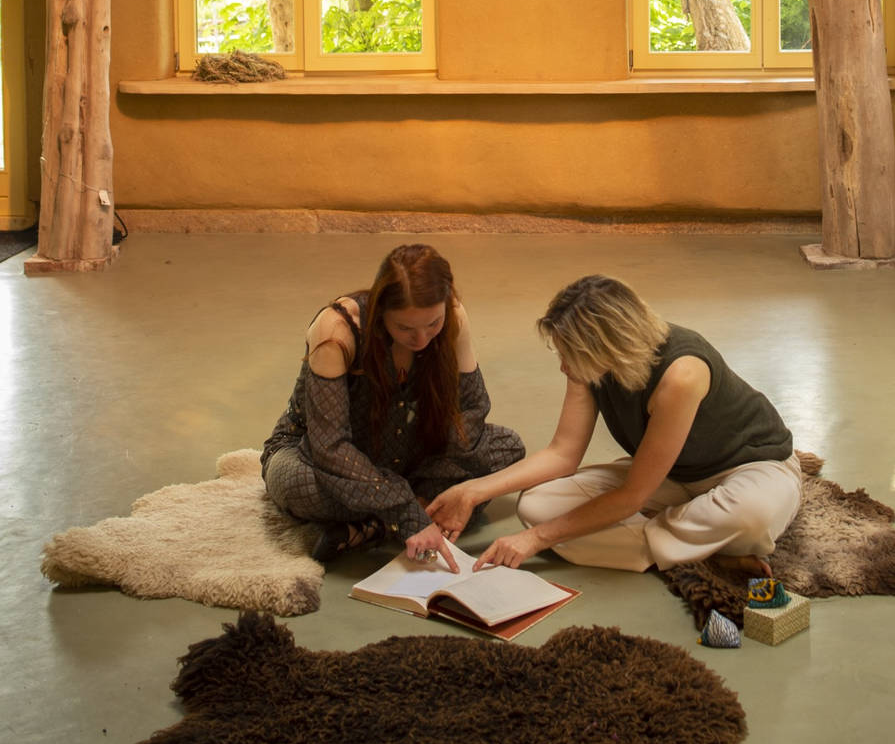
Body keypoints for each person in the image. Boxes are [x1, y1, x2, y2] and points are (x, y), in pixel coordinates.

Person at [426, 275, 805, 576]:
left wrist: (535, 540)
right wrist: (472, 491)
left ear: (604, 347)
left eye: (567, 355)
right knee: (539, 505)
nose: (562, 365)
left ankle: (688, 548)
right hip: (671, 476)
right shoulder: (591, 367)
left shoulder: (682, 375)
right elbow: (562, 454)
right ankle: (700, 550)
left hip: (749, 469)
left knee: (749, 519)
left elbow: (632, 498)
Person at [261, 244, 525, 569]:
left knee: (507, 450)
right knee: (297, 487)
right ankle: (415, 511)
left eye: (433, 324)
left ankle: (371, 528)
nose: (422, 339)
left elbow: (472, 407)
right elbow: (328, 446)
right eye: (404, 328)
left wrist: (441, 466)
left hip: (409, 453)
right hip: (318, 456)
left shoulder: (453, 314)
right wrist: (407, 511)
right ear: (379, 310)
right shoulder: (337, 329)